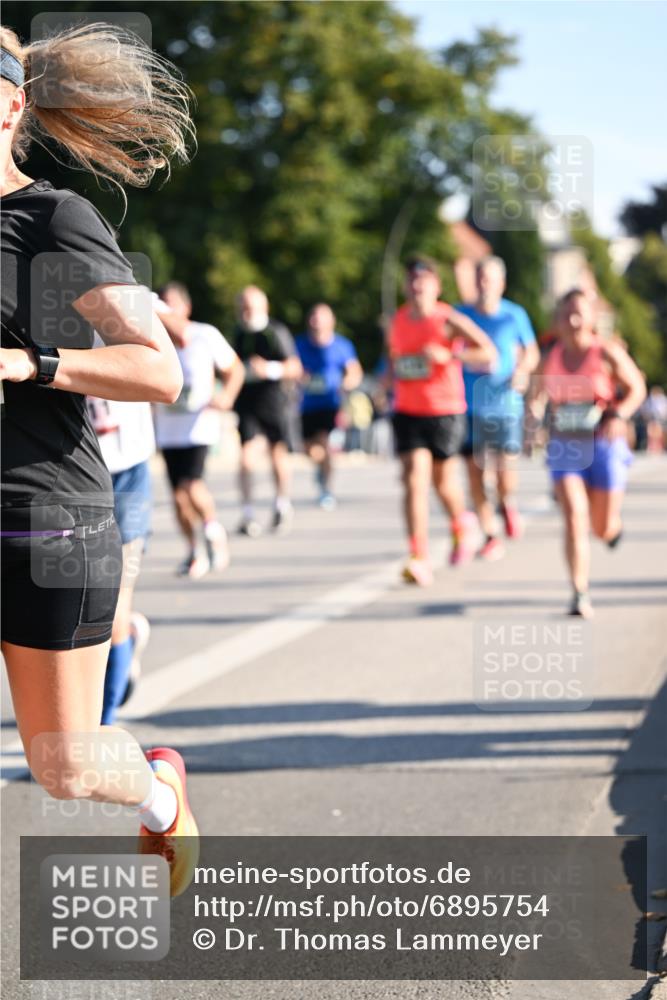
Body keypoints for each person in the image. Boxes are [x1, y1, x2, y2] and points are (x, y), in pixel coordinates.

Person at [0, 23, 198, 896]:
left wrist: (30, 362)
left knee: (66, 763)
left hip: (47, 516)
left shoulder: (51, 219)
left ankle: (158, 790)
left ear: (12, 105)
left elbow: (158, 368)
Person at [530, 289, 646, 617]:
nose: (574, 320)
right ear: (560, 319)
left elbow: (636, 387)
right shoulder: (550, 355)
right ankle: (579, 592)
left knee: (601, 526)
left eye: (580, 313)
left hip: (604, 445)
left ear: (592, 318)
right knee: (573, 517)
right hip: (566, 446)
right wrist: (534, 413)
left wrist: (619, 413)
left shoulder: (605, 352)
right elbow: (536, 395)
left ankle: (613, 529)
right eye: (568, 314)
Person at [388, 255, 497, 586]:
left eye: (424, 280)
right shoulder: (398, 320)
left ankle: (459, 523)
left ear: (436, 286)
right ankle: (418, 555)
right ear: (406, 286)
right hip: (408, 409)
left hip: (445, 411)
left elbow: (488, 353)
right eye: (412, 280)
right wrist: (395, 372)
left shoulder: (448, 319)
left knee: (443, 483)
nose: (418, 286)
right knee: (413, 479)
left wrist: (450, 354)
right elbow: (394, 360)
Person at [154, 282, 244, 578]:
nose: (166, 311)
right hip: (168, 430)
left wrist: (227, 396)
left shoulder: (205, 335)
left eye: (172, 305)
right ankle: (194, 551)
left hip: (199, 427)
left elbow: (235, 369)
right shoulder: (152, 339)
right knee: (178, 498)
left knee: (192, 486)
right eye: (162, 305)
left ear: (186, 308)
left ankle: (212, 529)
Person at [458, 256, 540, 559]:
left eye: (489, 278)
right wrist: (470, 358)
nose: (484, 284)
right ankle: (490, 533)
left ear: (501, 284)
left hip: (505, 405)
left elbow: (531, 352)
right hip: (468, 406)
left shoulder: (514, 315)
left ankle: (507, 502)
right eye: (480, 277)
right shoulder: (461, 315)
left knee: (504, 470)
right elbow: (449, 351)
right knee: (474, 472)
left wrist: (523, 371)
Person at [86, 389, 154, 722]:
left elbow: (167, 381)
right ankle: (125, 647)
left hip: (127, 476)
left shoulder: (129, 334)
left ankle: (104, 724)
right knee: (73, 604)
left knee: (112, 608)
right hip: (70, 477)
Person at [231, 286, 303, 536]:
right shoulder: (238, 332)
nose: (246, 311)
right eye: (242, 306)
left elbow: (295, 367)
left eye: (251, 307)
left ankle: (281, 504)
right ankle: (248, 513)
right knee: (246, 458)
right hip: (246, 402)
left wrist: (269, 369)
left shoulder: (275, 332)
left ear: (264, 307)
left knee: (277, 454)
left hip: (274, 401)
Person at [295, 303, 363, 509]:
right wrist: (298, 377)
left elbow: (354, 371)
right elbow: (292, 367)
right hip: (306, 405)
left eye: (321, 318)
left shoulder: (342, 346)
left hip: (330, 403)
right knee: (308, 449)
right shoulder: (299, 344)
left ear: (331, 321)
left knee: (324, 444)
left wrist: (347, 384)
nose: (317, 322)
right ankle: (320, 467)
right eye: (313, 317)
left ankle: (326, 490)